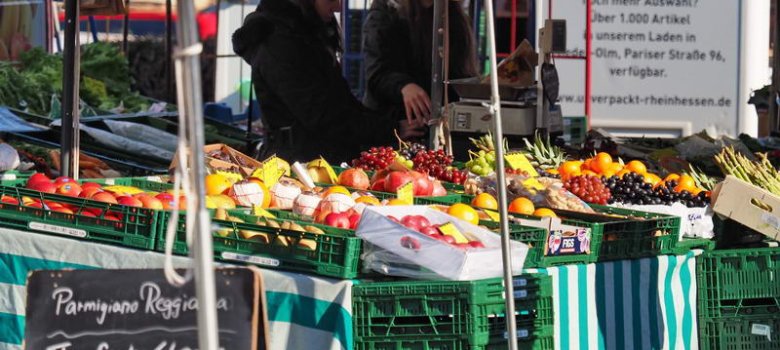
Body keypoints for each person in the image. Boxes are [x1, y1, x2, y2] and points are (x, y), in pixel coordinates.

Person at [232, 0, 424, 163]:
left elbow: (340, 103)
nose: (339, 7)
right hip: (300, 166)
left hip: (317, 158)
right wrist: (390, 130)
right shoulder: (281, 41)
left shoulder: (305, 32)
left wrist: (389, 128)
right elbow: (322, 114)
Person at [362, 0, 479, 127]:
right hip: (396, 122)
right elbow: (376, 71)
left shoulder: (452, 16)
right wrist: (404, 86)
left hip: (438, 122)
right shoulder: (387, 10)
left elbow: (460, 75)